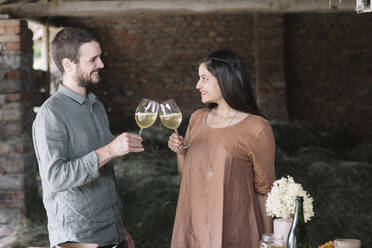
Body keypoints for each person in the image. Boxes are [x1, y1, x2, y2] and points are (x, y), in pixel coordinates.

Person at [32, 27, 144, 248]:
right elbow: (56, 178)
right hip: (79, 239)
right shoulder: (51, 114)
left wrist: (119, 227)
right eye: (93, 59)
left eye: (100, 57)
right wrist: (111, 150)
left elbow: (105, 174)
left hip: (111, 232)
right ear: (68, 64)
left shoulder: (96, 106)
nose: (101, 64)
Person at [167, 49, 276, 248]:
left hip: (236, 228)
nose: (197, 85)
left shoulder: (257, 127)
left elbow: (265, 190)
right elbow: (187, 177)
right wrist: (181, 153)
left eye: (204, 78)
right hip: (194, 226)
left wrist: (268, 242)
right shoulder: (197, 118)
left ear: (225, 79)